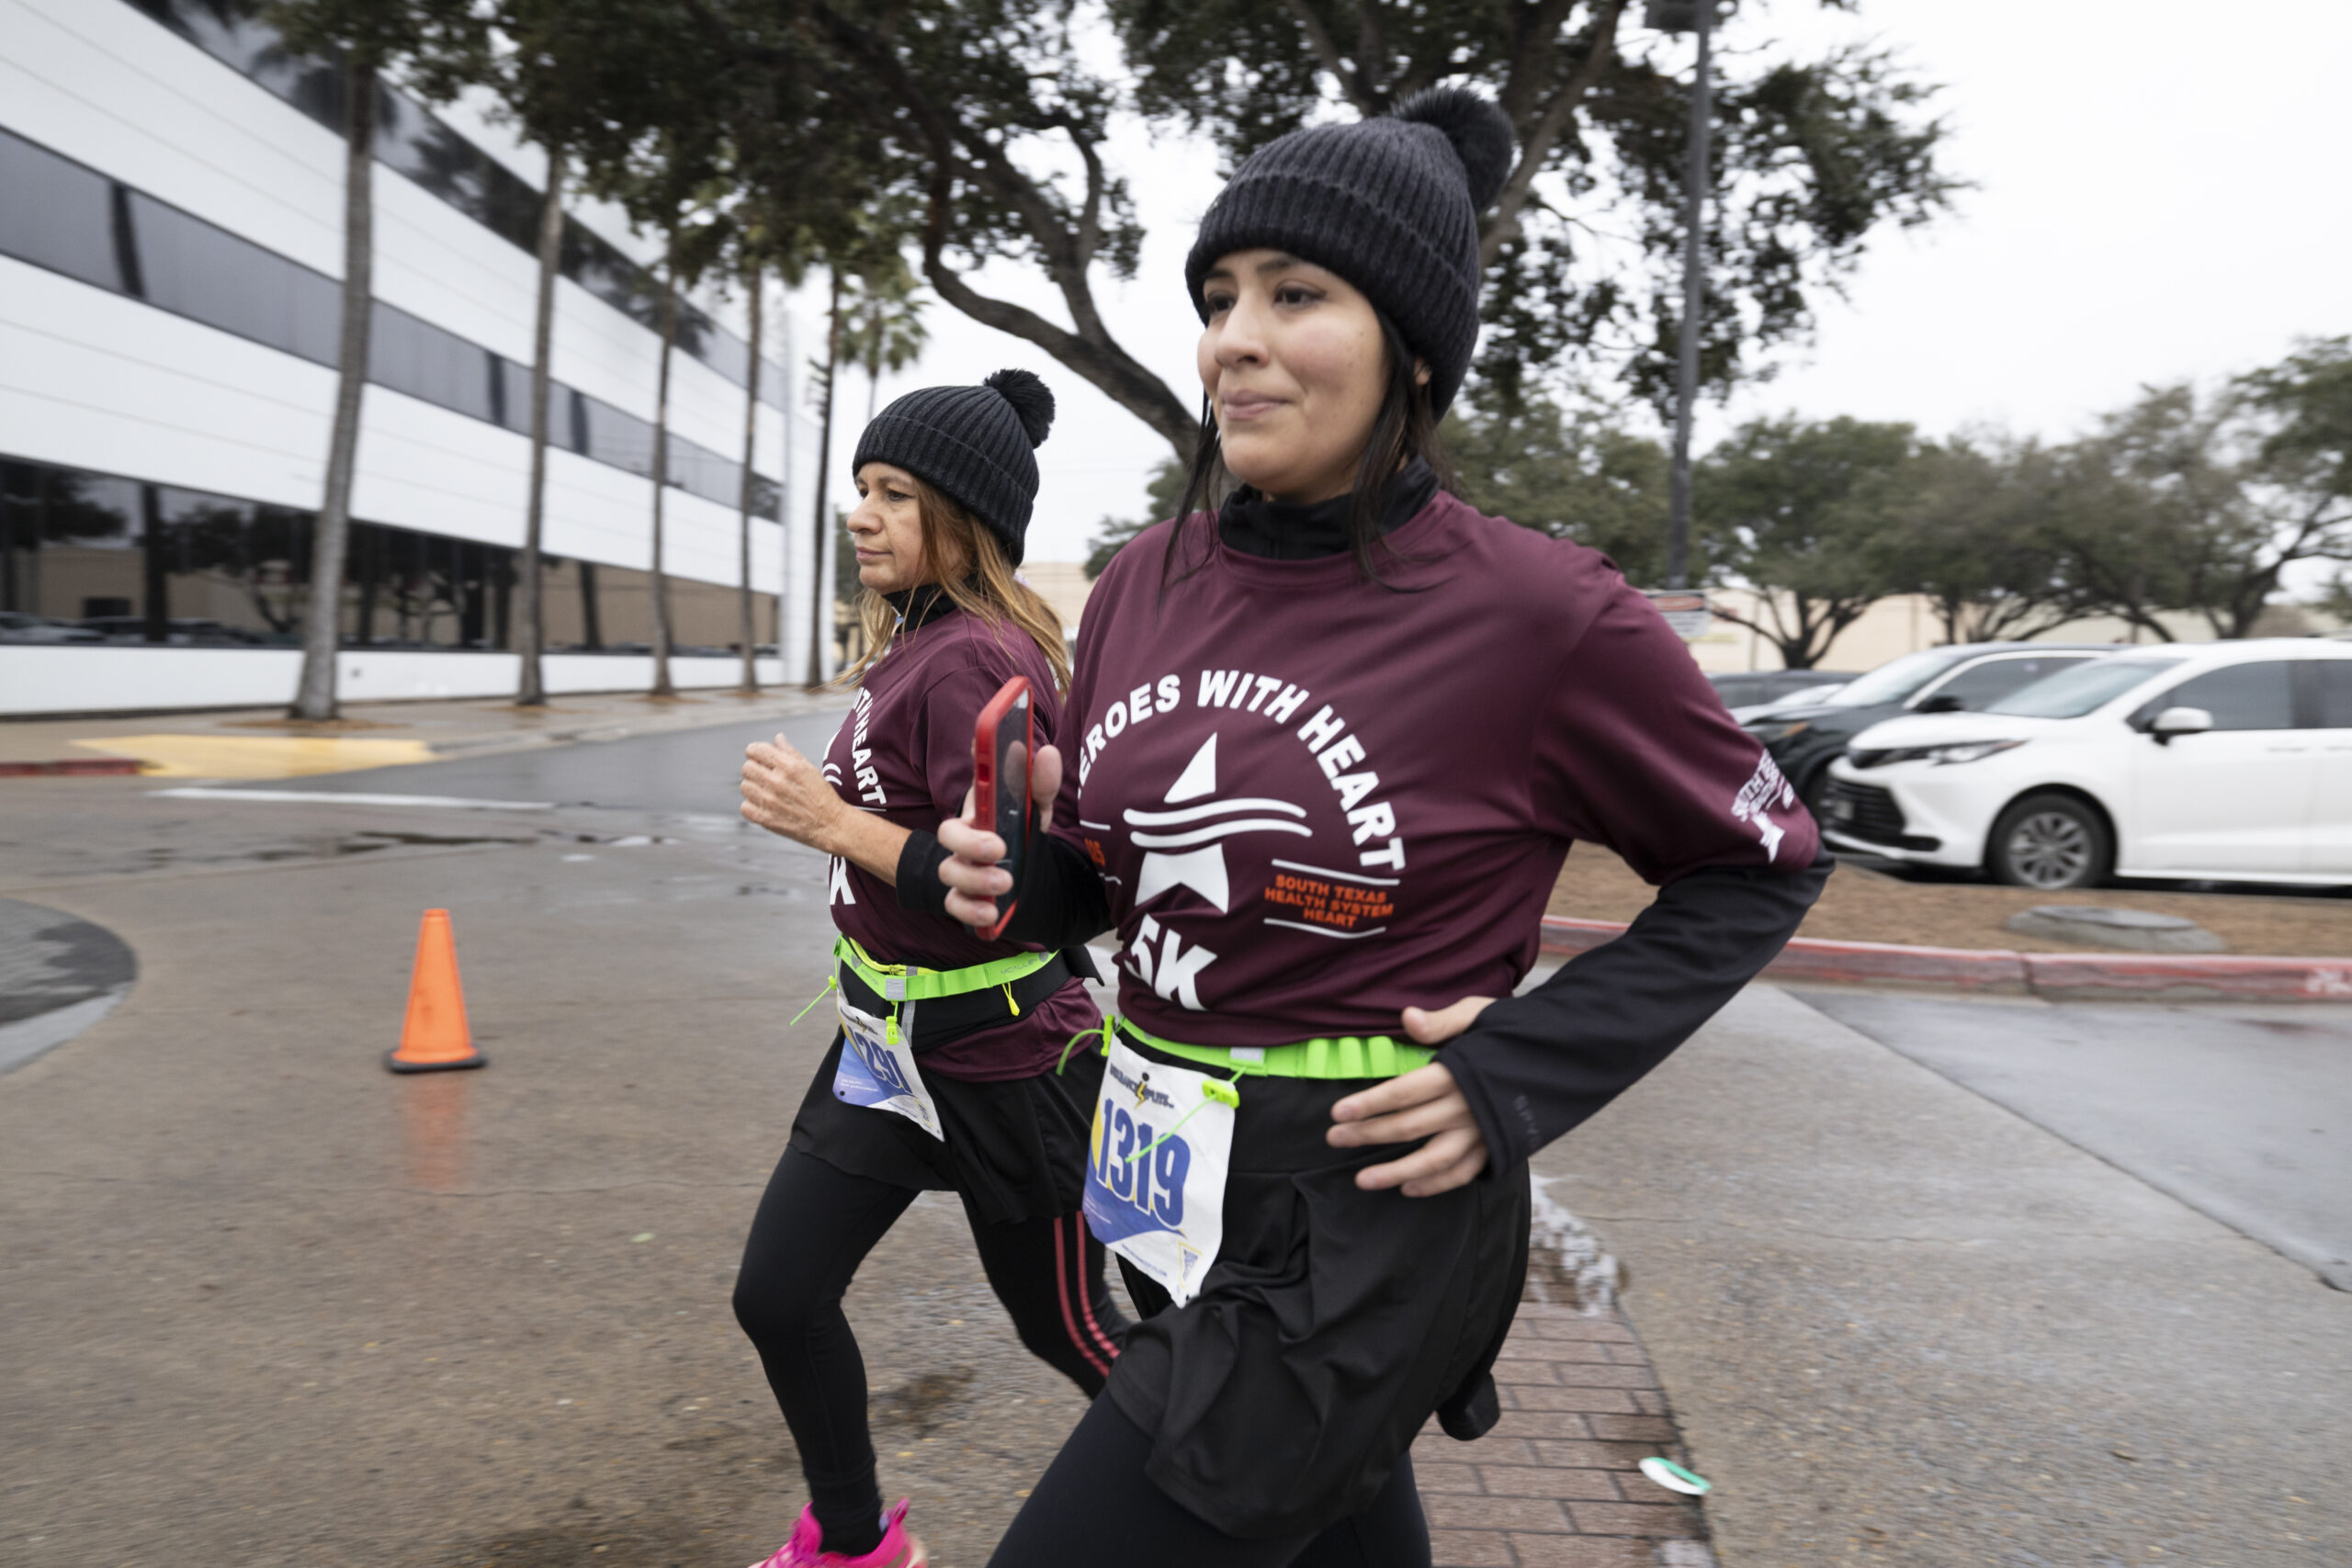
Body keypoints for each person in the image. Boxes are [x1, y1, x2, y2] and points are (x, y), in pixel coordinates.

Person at [917, 90, 1833, 1566]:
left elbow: (1761, 861)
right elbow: (1111, 869)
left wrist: (1514, 1071)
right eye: (1221, 297)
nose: (1238, 337)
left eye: (1298, 295)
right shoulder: (1147, 576)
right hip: (1160, 1177)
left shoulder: (1540, 611)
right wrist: (1026, 880)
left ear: (1413, 345)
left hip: (1359, 1213)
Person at [731, 369, 1128, 1568]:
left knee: (1071, 1335)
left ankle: (1251, 1504)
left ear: (964, 519)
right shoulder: (912, 647)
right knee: (780, 1294)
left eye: (894, 493)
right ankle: (855, 1547)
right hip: (883, 1047)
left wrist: (827, 821)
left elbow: (1001, 899)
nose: (862, 513)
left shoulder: (974, 658)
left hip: (1009, 1055)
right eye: (861, 488)